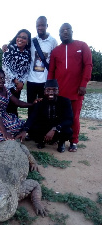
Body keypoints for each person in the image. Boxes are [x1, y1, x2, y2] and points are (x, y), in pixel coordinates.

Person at [47, 23, 93, 152]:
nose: (65, 32)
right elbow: (51, 71)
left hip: (76, 91)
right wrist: (49, 87)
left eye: (67, 30)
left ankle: (74, 141)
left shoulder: (82, 46)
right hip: (59, 92)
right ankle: (58, 138)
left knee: (74, 117)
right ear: (59, 34)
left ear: (72, 31)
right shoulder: (56, 50)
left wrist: (83, 84)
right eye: (62, 31)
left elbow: (88, 65)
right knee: (59, 117)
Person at [0, 68, 39, 144]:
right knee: (13, 128)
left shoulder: (5, 89)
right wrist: (5, 132)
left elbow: (17, 102)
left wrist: (32, 104)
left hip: (3, 116)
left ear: (5, 79)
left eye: (2, 78)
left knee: (21, 125)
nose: (0, 81)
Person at [16, 79, 73, 153]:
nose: (51, 92)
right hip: (44, 127)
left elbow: (69, 119)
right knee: (32, 129)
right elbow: (32, 117)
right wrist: (24, 130)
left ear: (58, 91)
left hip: (58, 128)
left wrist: (55, 129)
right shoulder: (40, 102)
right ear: (44, 91)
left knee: (68, 131)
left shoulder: (65, 101)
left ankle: (61, 142)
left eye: (54, 90)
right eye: (48, 90)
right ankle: (42, 141)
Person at [2, 29, 31, 116]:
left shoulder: (28, 53)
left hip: (18, 88)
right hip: (6, 86)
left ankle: (12, 128)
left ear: (28, 41)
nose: (20, 39)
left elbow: (27, 70)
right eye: (19, 36)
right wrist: (15, 80)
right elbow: (5, 66)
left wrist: (22, 82)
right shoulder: (10, 49)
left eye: (24, 38)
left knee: (13, 110)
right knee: (3, 110)